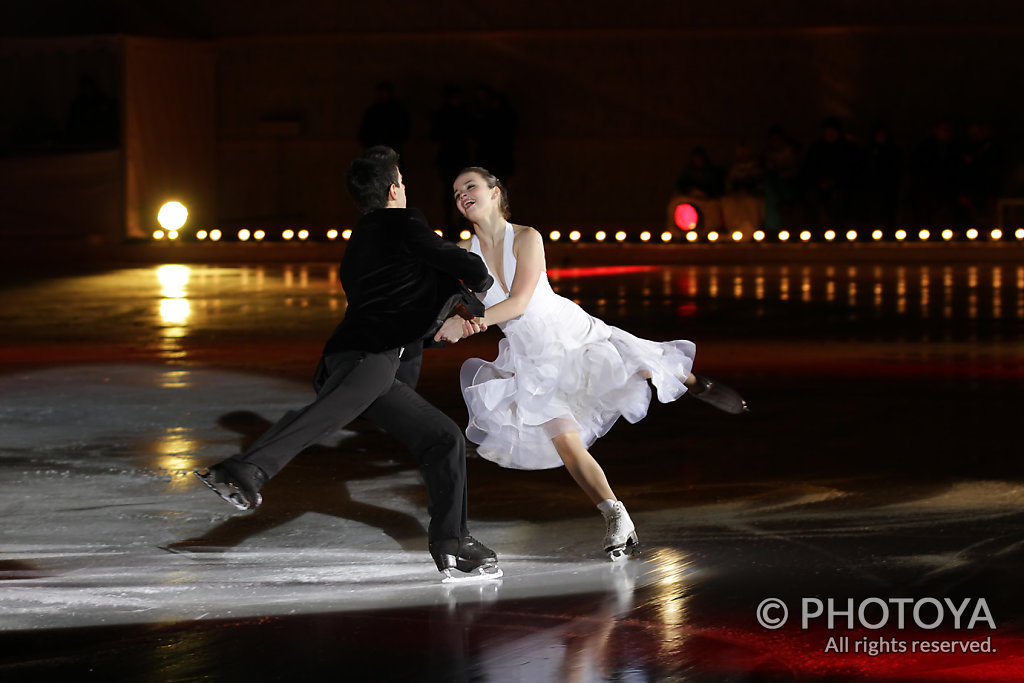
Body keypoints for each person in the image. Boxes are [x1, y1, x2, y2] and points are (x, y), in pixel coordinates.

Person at [195, 146, 501, 582]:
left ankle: (453, 541)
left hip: (368, 359)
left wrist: (450, 312)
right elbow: (466, 268)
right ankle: (246, 469)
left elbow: (401, 298)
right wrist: (476, 280)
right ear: (395, 188)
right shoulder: (404, 222)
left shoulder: (363, 239)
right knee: (329, 413)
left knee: (443, 439)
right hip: (368, 356)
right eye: (404, 183)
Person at [451, 167, 748, 561]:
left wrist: (473, 322)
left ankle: (693, 381)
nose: (462, 195)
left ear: (495, 192)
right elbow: (469, 304)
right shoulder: (465, 254)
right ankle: (616, 515)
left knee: (638, 363)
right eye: (456, 193)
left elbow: (520, 301)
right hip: (530, 359)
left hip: (568, 335)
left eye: (470, 186)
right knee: (568, 446)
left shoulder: (526, 237)